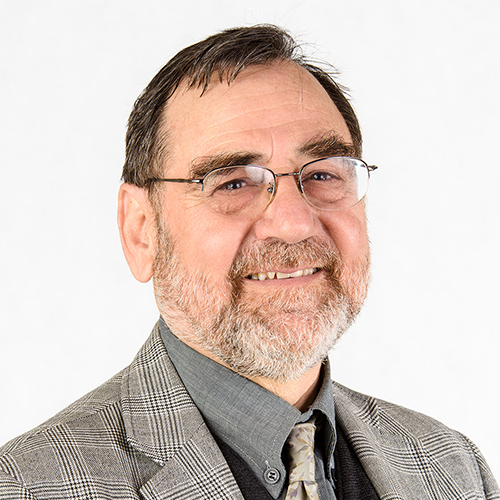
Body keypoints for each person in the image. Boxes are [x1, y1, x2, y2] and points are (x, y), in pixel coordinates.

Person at [0, 24, 497, 500]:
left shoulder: (453, 469)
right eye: (233, 183)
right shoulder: (28, 487)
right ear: (141, 230)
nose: (294, 223)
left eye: (323, 174)